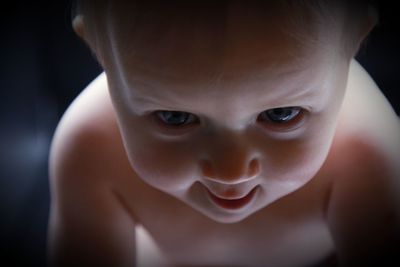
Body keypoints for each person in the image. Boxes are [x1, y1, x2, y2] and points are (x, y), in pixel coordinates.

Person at [47, 1, 400, 266]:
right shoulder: (91, 150)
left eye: (281, 114)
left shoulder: (368, 157)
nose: (231, 172)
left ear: (354, 40)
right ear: (99, 50)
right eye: (175, 117)